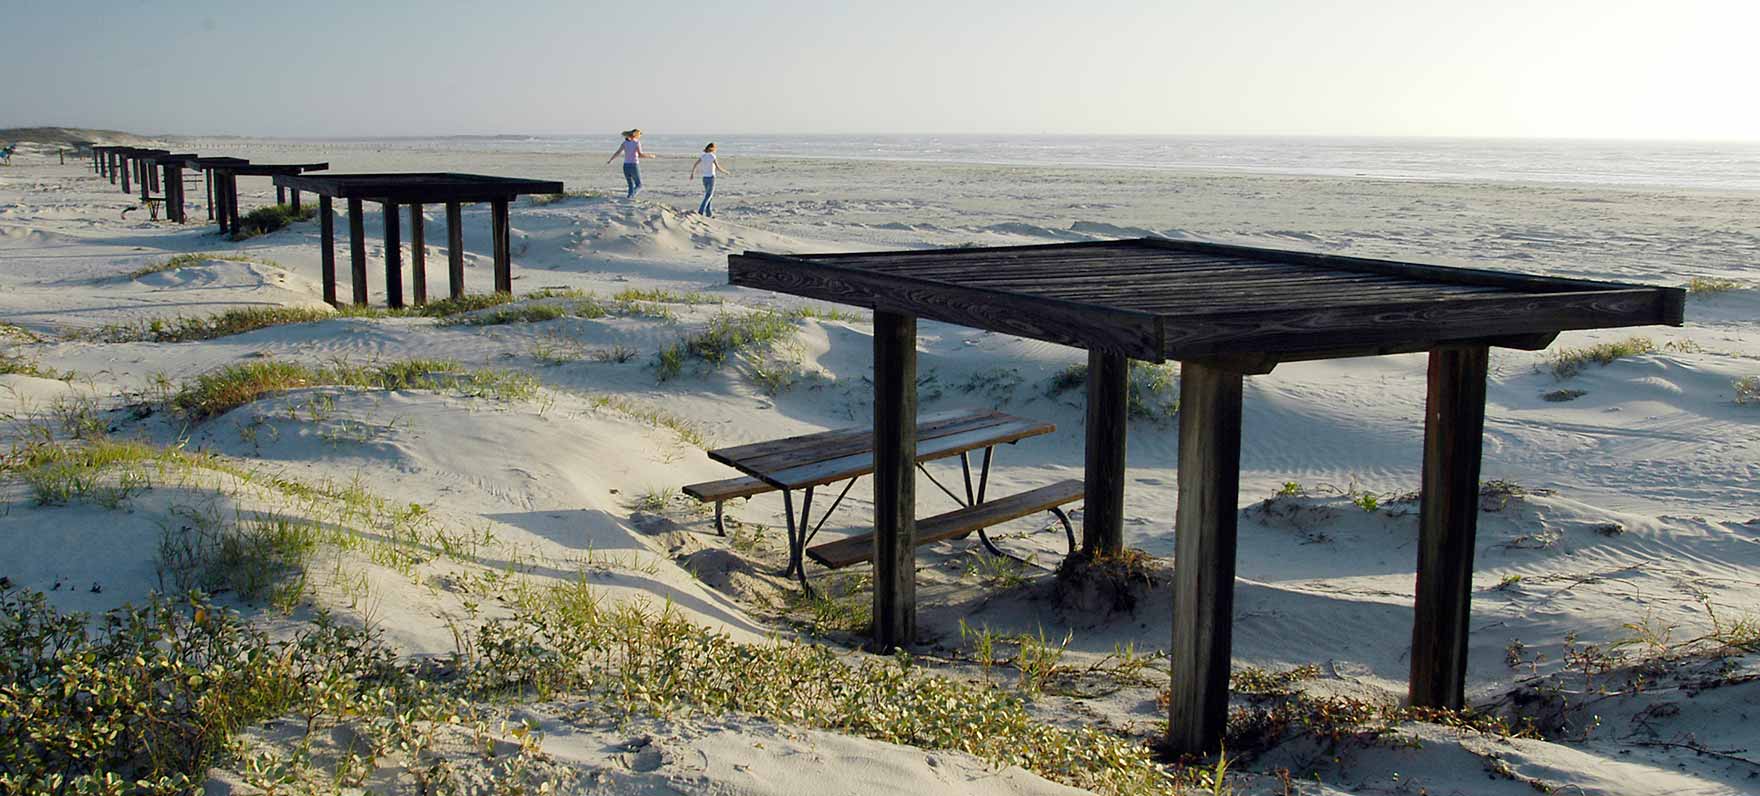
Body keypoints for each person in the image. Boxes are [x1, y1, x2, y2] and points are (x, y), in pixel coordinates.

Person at [605, 129, 656, 198]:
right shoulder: (637, 142)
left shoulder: (625, 143)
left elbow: (618, 152)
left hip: (626, 166)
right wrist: (650, 156)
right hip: (634, 165)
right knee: (639, 185)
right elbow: (640, 155)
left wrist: (611, 160)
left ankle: (629, 197)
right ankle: (631, 197)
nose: (640, 136)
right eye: (640, 135)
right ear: (637, 135)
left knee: (630, 185)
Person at [689, 142, 732, 216]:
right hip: (711, 178)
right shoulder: (712, 156)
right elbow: (718, 167)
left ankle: (709, 213)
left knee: (708, 196)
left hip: (704, 178)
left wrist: (692, 173)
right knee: (708, 196)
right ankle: (701, 211)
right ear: (713, 148)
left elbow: (695, 164)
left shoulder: (703, 156)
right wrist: (726, 172)